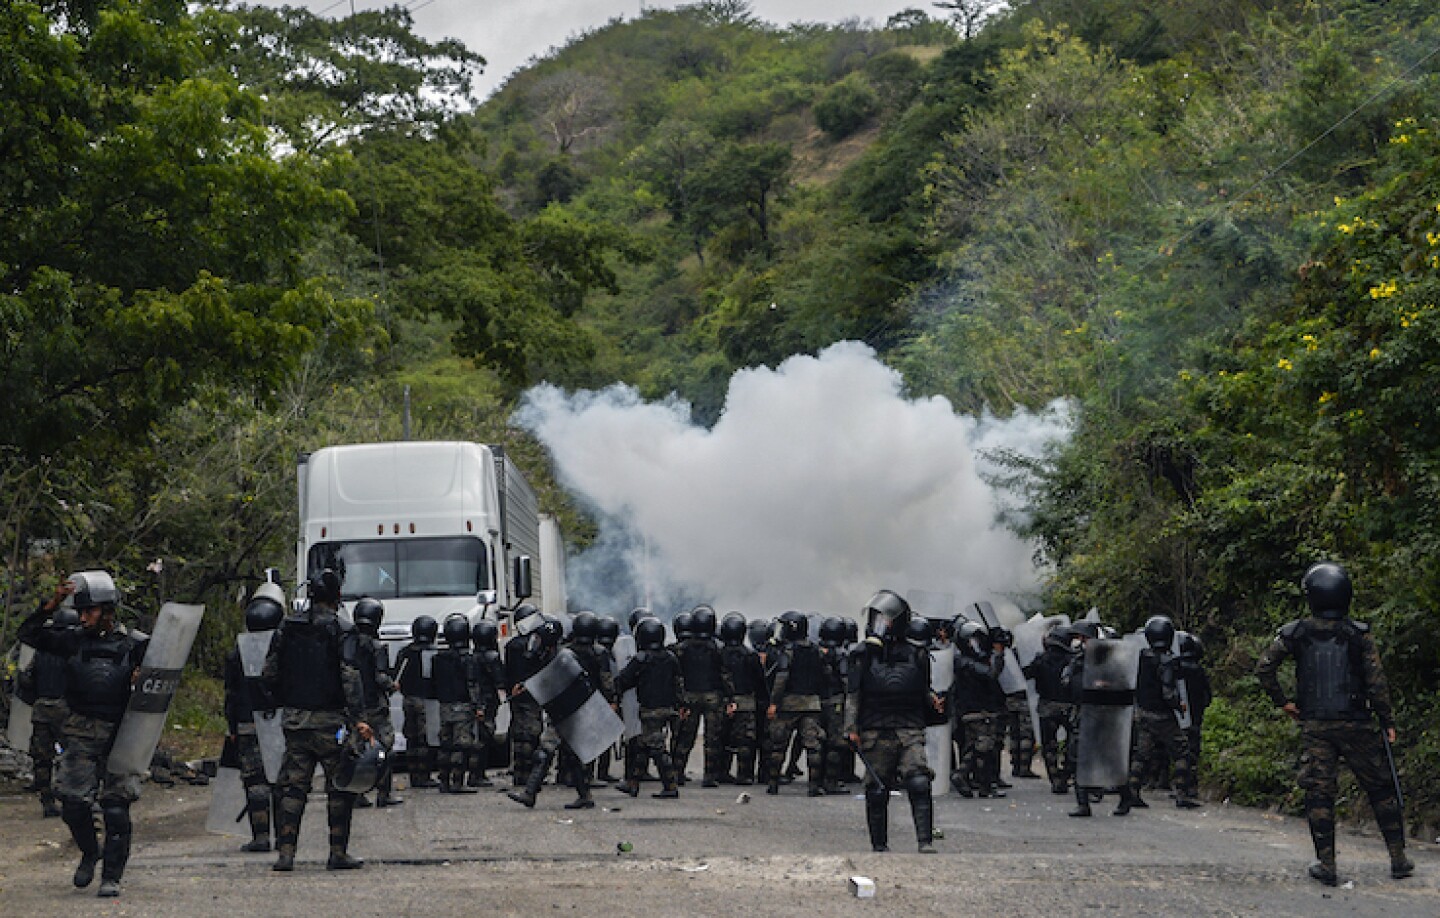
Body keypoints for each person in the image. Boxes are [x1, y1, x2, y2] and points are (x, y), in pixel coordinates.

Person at [1255, 562, 1413, 886]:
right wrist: (1387, 720)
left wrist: (1283, 702)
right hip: (1357, 724)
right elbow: (1376, 682)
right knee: (1381, 789)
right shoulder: (1358, 634)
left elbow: (1264, 668)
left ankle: (1327, 865)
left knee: (1320, 794)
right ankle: (1398, 859)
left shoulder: (1295, 632)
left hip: (1316, 725)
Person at [18, 572, 148, 898]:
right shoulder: (72, 640)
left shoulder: (134, 645)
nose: (83, 616)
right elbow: (29, 633)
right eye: (80, 611)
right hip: (81, 729)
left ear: (107, 610)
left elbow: (161, 685)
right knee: (73, 802)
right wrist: (52, 604)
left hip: (122, 732)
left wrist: (141, 677)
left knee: (116, 807)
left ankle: (112, 876)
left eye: (89, 611)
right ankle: (91, 852)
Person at [262, 569, 371, 872]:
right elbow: (350, 676)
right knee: (339, 787)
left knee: (293, 788)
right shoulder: (342, 629)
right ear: (337, 595)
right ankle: (337, 852)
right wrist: (360, 719)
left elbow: (269, 672)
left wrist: (279, 699)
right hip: (332, 723)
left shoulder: (287, 627)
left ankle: (286, 854)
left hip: (295, 721)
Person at [845, 590, 939, 853]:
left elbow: (924, 689)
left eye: (884, 619)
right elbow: (854, 694)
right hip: (875, 728)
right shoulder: (862, 655)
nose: (879, 624)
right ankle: (879, 845)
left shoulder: (917, 654)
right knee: (876, 788)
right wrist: (850, 728)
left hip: (909, 727)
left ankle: (925, 841)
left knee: (919, 781)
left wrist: (933, 701)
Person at [1117, 615, 1199, 814]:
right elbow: (1168, 691)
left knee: (1141, 755)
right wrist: (1179, 707)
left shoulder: (1141, 657)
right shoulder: (1168, 661)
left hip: (1143, 712)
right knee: (1182, 751)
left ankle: (1131, 794)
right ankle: (1182, 794)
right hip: (1163, 716)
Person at [223, 593, 282, 849]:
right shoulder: (285, 648)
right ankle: (285, 836)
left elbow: (231, 695)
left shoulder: (237, 653)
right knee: (280, 780)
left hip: (247, 723)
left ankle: (260, 837)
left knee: (255, 780)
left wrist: (232, 726)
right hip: (278, 723)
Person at [615, 617, 685, 798]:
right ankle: (632, 783)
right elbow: (679, 683)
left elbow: (624, 680)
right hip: (668, 707)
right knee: (642, 745)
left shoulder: (642, 658)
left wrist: (615, 693)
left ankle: (670, 786)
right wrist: (681, 705)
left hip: (650, 709)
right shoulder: (670, 657)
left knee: (656, 747)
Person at [18, 604, 77, 818]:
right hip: (66, 709)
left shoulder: (42, 652)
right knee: (74, 756)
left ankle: (47, 801)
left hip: (42, 709)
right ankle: (73, 797)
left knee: (43, 758)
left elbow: (25, 681)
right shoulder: (72, 649)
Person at [347, 597, 402, 807]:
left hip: (354, 706)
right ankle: (383, 793)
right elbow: (380, 677)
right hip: (375, 706)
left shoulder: (347, 644)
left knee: (356, 748)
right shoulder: (377, 647)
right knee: (384, 749)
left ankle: (357, 794)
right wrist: (392, 686)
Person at [765, 611, 827, 797]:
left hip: (789, 704)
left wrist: (774, 702)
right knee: (813, 746)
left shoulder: (788, 652)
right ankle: (813, 786)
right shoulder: (816, 650)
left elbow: (781, 678)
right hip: (811, 704)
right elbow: (826, 675)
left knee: (778, 745)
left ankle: (773, 783)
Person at [670, 605, 732, 787]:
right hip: (713, 696)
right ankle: (709, 776)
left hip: (689, 696)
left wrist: (679, 699)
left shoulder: (682, 648)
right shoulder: (718, 648)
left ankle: (677, 773)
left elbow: (677, 676)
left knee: (684, 737)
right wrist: (730, 698)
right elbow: (725, 675)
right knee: (712, 739)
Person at [951, 621, 1006, 798]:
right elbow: (991, 674)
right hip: (976, 710)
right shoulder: (965, 661)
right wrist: (998, 654)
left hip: (978, 709)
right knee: (982, 746)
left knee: (982, 749)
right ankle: (961, 774)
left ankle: (985, 786)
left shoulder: (969, 660)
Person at [1025, 624, 1078, 795]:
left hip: (1047, 706)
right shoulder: (1074, 659)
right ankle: (1066, 774)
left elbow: (1026, 674)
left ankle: (1055, 779)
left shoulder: (1041, 659)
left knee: (1049, 745)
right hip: (1069, 706)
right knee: (1072, 743)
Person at [432, 614, 482, 794]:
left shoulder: (438, 658)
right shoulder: (469, 659)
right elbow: (472, 684)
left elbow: (433, 683)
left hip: (445, 706)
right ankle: (457, 782)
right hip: (464, 705)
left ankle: (443, 780)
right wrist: (478, 706)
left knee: (445, 743)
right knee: (462, 745)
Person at [718, 612, 766, 785]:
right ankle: (744, 774)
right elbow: (760, 681)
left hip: (722, 701)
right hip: (746, 702)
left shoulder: (718, 654)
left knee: (722, 737)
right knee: (746, 740)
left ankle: (721, 771)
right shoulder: (750, 655)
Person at [504, 603, 547, 786]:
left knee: (519, 734)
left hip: (516, 695)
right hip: (532, 695)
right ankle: (529, 775)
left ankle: (518, 773)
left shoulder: (511, 645)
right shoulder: (535, 645)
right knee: (531, 735)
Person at [394, 615, 439, 789]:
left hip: (408, 699)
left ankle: (413, 774)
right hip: (426, 701)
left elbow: (397, 676)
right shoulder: (431, 653)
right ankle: (424, 775)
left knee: (411, 737)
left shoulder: (405, 652)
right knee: (425, 738)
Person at [466, 619, 505, 787]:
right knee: (484, 738)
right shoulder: (492, 657)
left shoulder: (470, 657)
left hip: (473, 700)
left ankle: (473, 773)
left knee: (476, 737)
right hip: (488, 701)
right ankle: (477, 775)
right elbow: (500, 680)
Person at [1176, 631, 1211, 786]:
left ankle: (1180, 783)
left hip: (1180, 714)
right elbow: (1208, 695)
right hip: (1196, 716)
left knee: (1180, 750)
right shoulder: (1199, 670)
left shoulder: (1176, 668)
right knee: (1193, 749)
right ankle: (1191, 784)